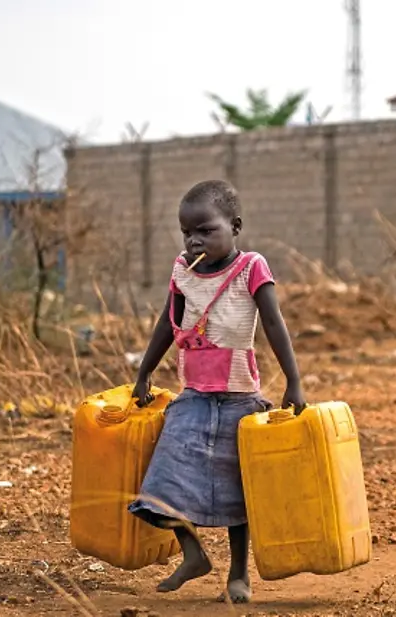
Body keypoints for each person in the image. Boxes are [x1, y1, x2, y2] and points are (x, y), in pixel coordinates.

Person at [128, 179, 304, 604]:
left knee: (238, 491)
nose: (194, 240)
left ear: (235, 227)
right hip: (193, 398)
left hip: (240, 398)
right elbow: (167, 324)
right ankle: (193, 553)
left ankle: (239, 574)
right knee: (162, 479)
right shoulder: (182, 272)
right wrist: (144, 371)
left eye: (206, 230)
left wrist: (294, 381)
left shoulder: (251, 268)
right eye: (187, 232)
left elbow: (274, 324)